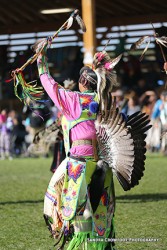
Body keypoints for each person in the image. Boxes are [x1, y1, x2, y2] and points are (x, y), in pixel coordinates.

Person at [36, 45, 116, 250]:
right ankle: (97, 242)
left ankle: (74, 236)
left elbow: (50, 85)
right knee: (97, 209)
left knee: (58, 196)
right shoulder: (101, 100)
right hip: (101, 162)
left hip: (78, 162)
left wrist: (41, 60)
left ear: (82, 82)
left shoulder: (73, 100)